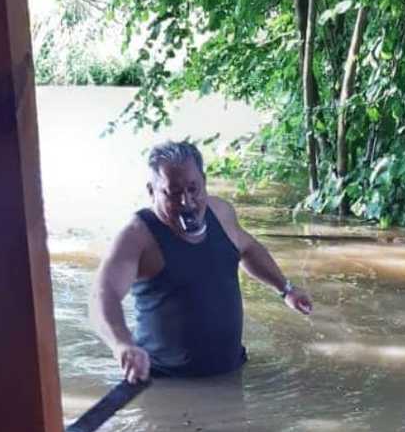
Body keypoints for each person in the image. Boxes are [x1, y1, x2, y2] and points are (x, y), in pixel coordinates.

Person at [89, 139, 313, 382]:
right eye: (173, 193)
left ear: (204, 183)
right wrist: (122, 345)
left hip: (231, 372)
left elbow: (248, 248)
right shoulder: (138, 235)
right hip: (167, 384)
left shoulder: (221, 212)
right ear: (152, 191)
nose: (187, 202)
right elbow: (102, 296)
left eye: (193, 189)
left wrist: (286, 289)